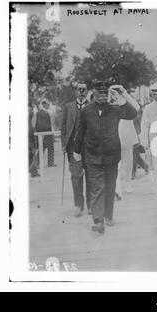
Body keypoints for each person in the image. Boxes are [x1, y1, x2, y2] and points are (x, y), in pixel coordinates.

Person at [73, 80, 138, 234]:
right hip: (92, 156)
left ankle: (108, 215)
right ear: (93, 93)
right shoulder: (87, 111)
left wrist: (121, 97)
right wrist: (76, 152)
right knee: (97, 188)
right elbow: (80, 133)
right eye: (99, 93)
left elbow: (133, 114)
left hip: (111, 156)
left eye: (105, 93)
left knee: (110, 187)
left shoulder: (115, 110)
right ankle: (98, 221)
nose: (102, 96)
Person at [61, 83, 91, 217]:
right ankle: (78, 205)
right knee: (76, 176)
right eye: (79, 90)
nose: (82, 92)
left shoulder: (92, 106)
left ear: (87, 91)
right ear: (75, 91)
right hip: (73, 148)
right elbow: (63, 127)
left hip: (90, 148)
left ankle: (91, 205)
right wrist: (64, 144)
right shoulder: (68, 107)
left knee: (91, 176)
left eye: (84, 90)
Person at [116, 90, 140, 198]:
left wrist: (125, 93)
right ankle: (117, 187)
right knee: (117, 164)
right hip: (115, 136)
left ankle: (128, 183)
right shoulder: (111, 102)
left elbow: (137, 107)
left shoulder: (126, 103)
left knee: (128, 162)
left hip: (127, 136)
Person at [34, 99, 56, 167]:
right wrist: (43, 133)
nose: (48, 105)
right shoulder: (40, 113)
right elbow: (40, 124)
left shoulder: (46, 112)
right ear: (43, 104)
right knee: (42, 148)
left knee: (49, 148)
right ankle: (36, 164)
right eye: (47, 104)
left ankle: (50, 163)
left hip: (48, 133)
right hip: (44, 134)